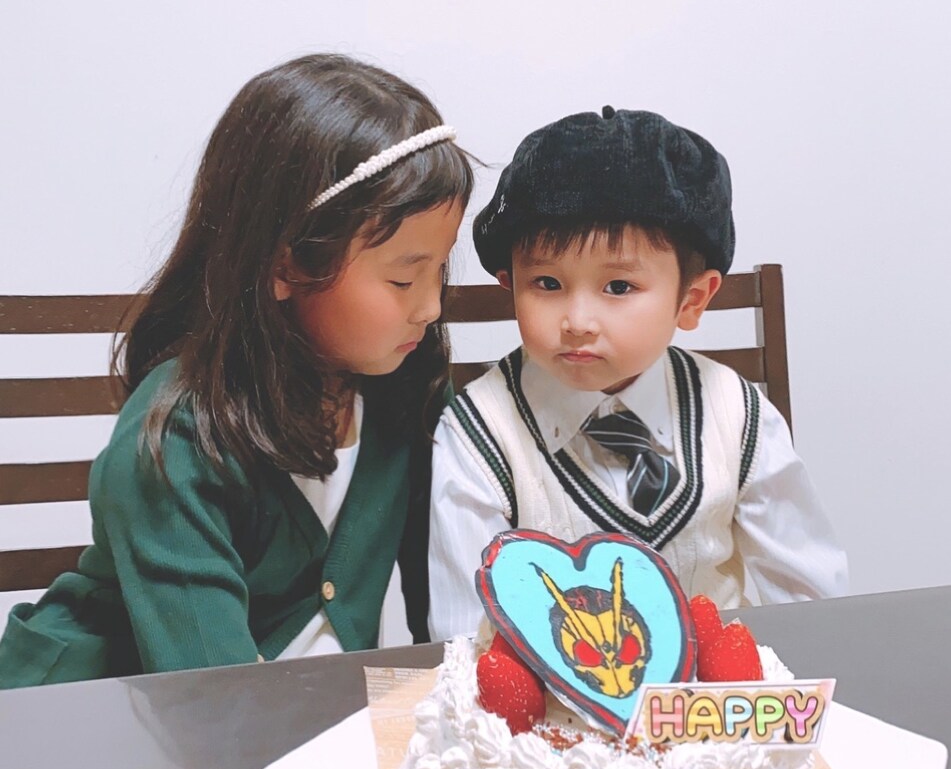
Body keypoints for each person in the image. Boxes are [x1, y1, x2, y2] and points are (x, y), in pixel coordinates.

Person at [0, 54, 473, 686]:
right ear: (286, 266)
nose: (431, 307)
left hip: (291, 712)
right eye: (403, 278)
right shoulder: (178, 438)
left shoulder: (406, 385)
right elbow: (215, 697)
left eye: (440, 269)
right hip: (99, 713)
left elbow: (445, 617)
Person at [428, 106, 848, 640]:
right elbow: (469, 639)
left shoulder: (738, 417)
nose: (578, 322)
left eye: (619, 287)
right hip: (553, 688)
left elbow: (810, 602)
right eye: (547, 284)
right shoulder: (478, 435)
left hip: (717, 686)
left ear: (692, 300)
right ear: (511, 285)